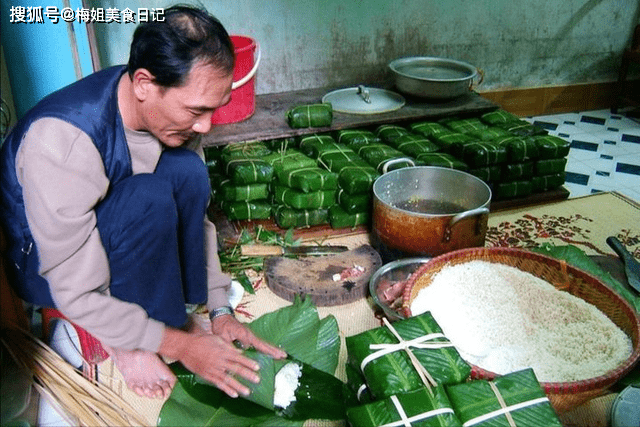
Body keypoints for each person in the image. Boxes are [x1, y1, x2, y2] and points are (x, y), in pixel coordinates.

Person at [0, 5, 286, 400]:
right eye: (196, 111)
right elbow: (74, 290)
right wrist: (180, 346)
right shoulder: (62, 141)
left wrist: (220, 309)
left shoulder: (171, 116)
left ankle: (166, 320)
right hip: (48, 266)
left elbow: (196, 216)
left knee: (187, 172)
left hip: (113, 224)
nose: (205, 125)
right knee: (146, 198)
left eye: (211, 109)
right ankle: (130, 344)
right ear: (144, 84)